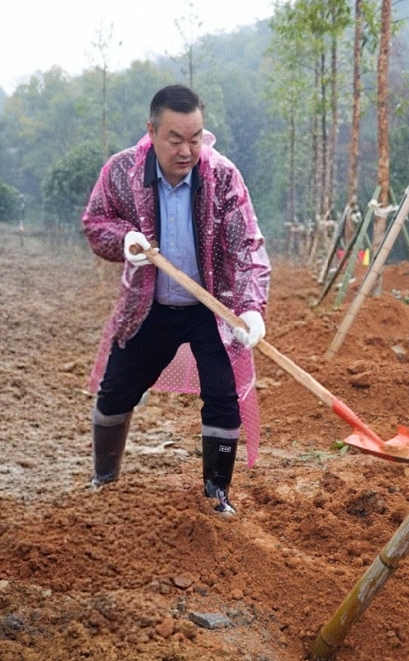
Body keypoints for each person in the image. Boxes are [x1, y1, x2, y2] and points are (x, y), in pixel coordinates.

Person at [82, 84, 271, 516]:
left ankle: (216, 494)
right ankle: (104, 479)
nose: (187, 150)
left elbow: (247, 247)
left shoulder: (222, 176)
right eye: (175, 138)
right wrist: (123, 238)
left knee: (223, 395)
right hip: (149, 305)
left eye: (196, 137)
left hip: (211, 308)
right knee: (116, 391)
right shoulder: (121, 172)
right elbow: (96, 222)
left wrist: (250, 308)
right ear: (151, 131)